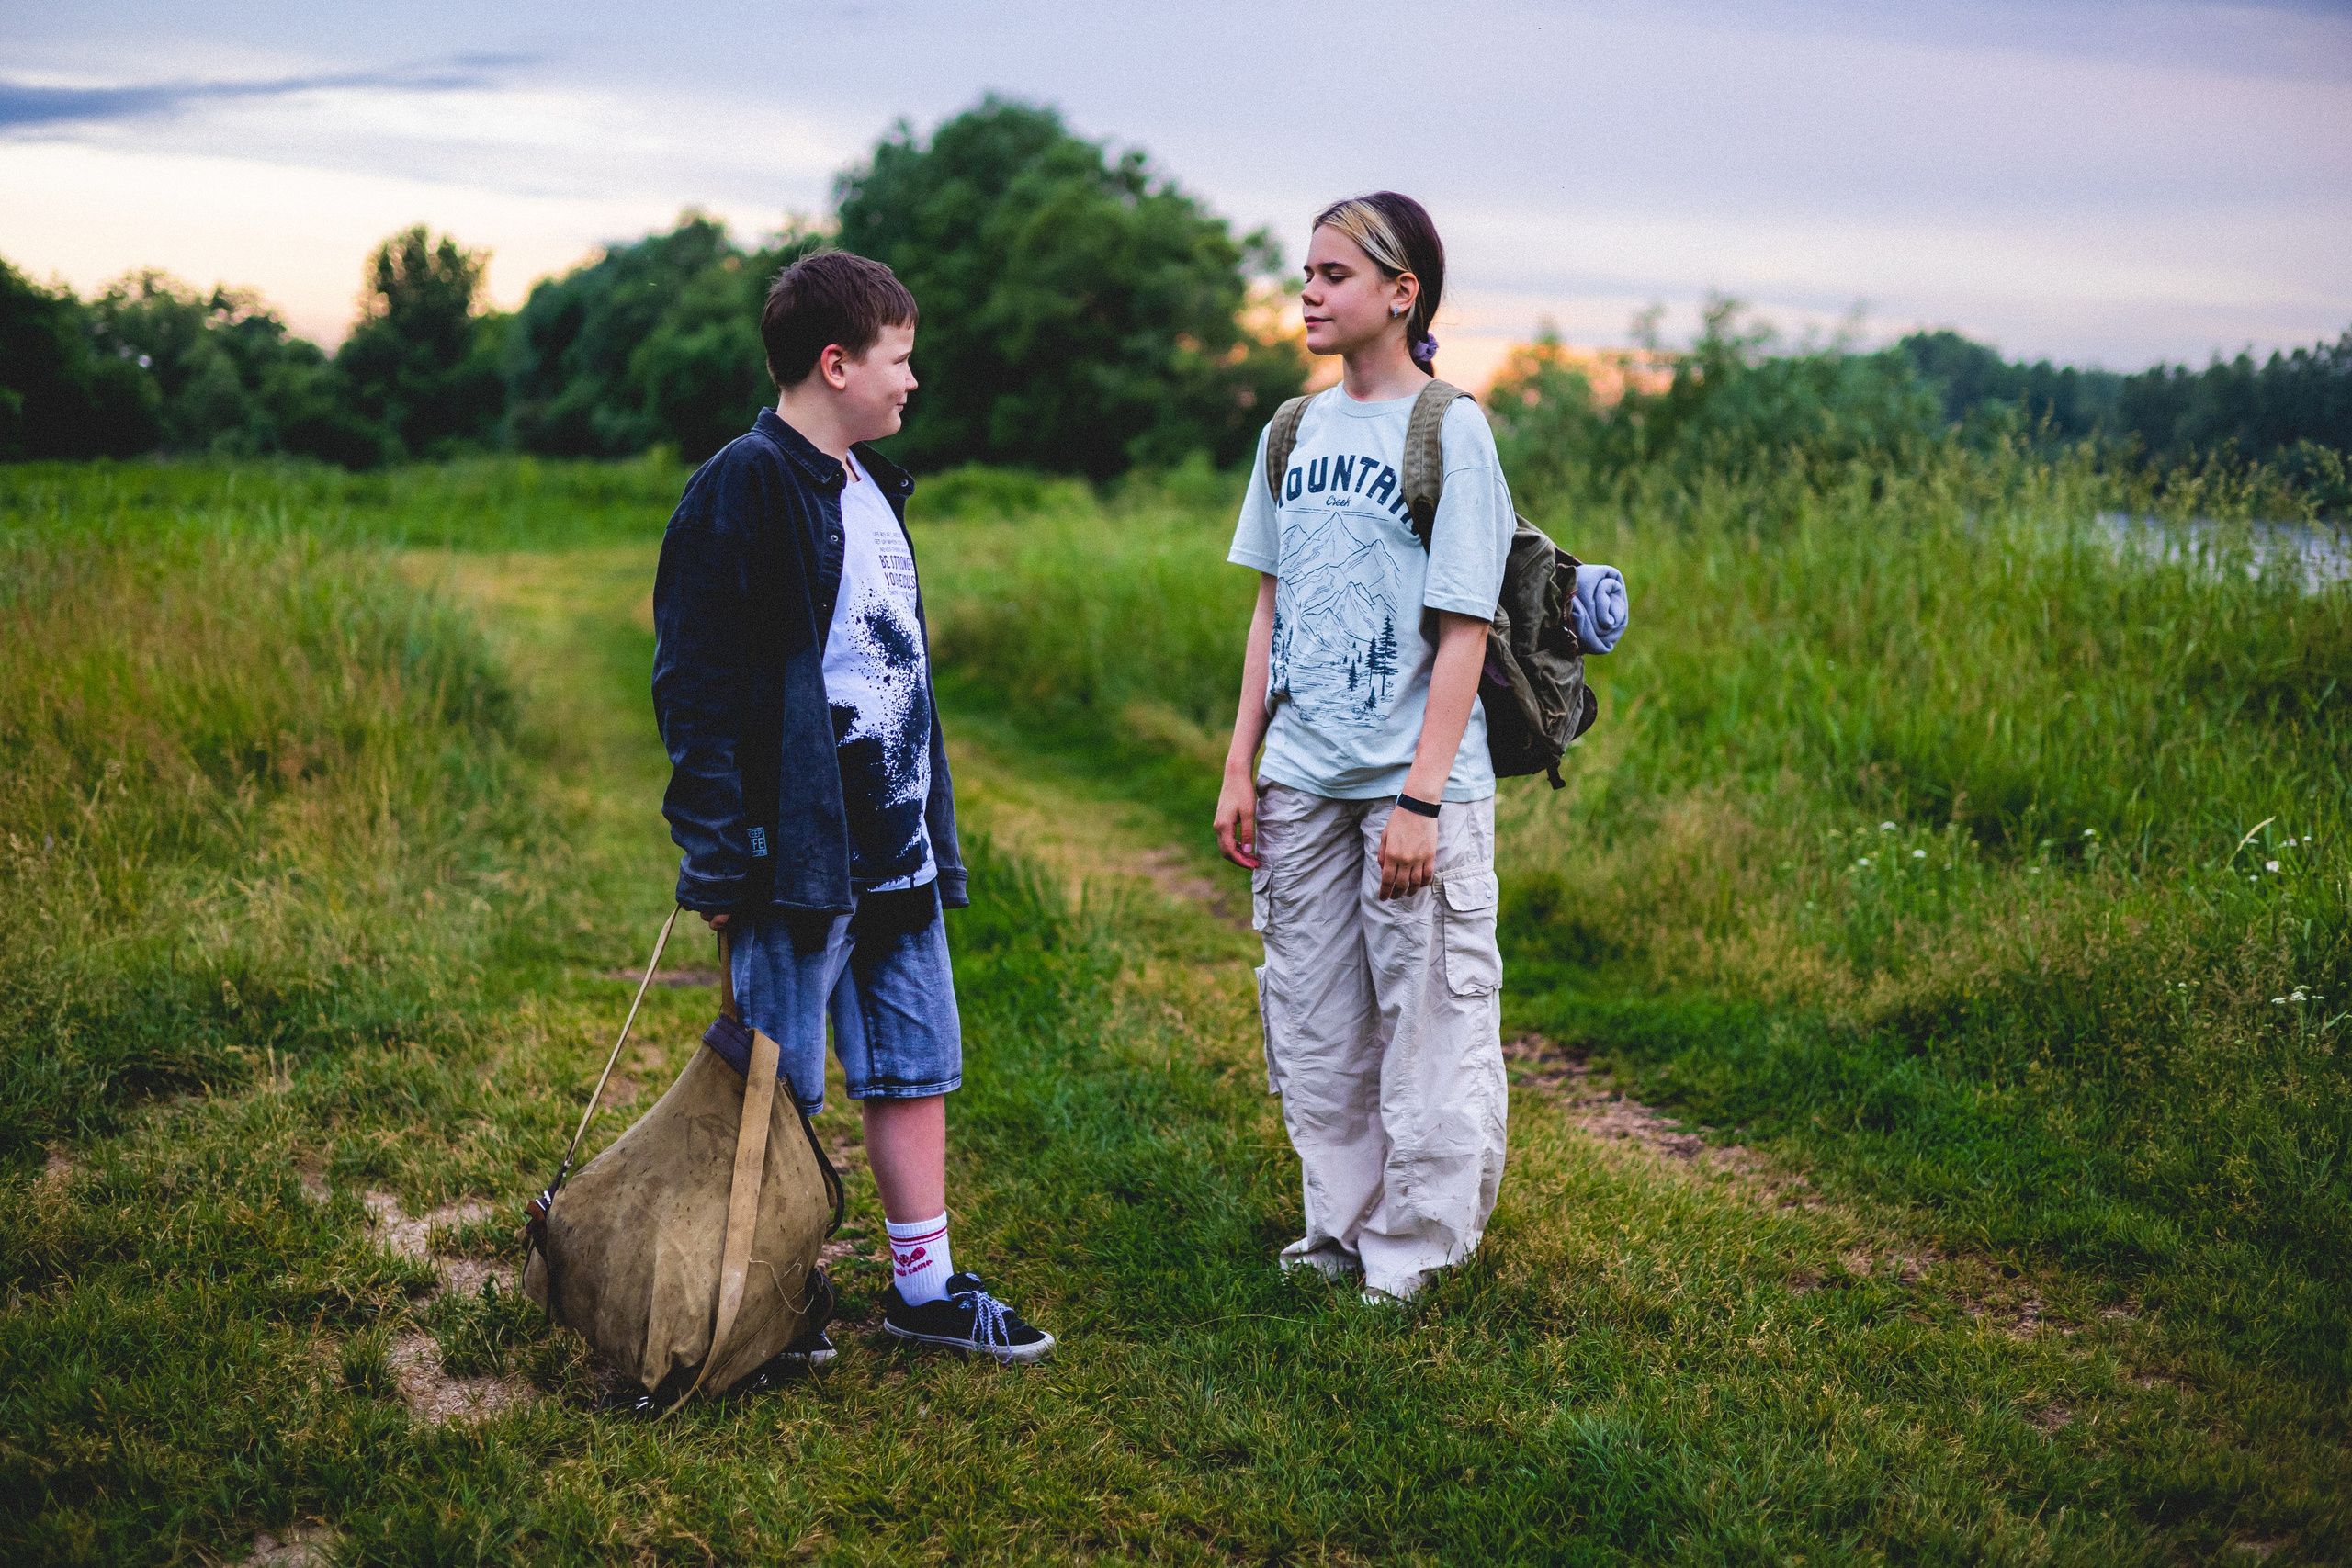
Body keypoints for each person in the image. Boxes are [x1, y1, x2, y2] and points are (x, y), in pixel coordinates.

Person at [650, 250, 1053, 1363]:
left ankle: (923, 1290)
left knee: (912, 1062)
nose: (912, 382)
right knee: (776, 1086)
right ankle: (759, 1301)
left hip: (897, 845)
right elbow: (696, 681)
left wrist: (931, 822)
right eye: (899, 359)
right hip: (800, 856)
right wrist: (720, 853)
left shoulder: (873, 486)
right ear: (836, 364)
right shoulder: (746, 482)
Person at [1215, 194, 1514, 1303]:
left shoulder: (1450, 430)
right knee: (1313, 1018)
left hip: (1407, 784)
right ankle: (1337, 1230)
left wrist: (1421, 801)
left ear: (1402, 294)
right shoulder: (1289, 432)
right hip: (1301, 777)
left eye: (1334, 275)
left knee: (1429, 1019)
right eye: (1306, 274)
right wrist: (1243, 762)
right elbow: (1269, 611)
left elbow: (1464, 629)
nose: (1309, 294)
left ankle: (1419, 1248)